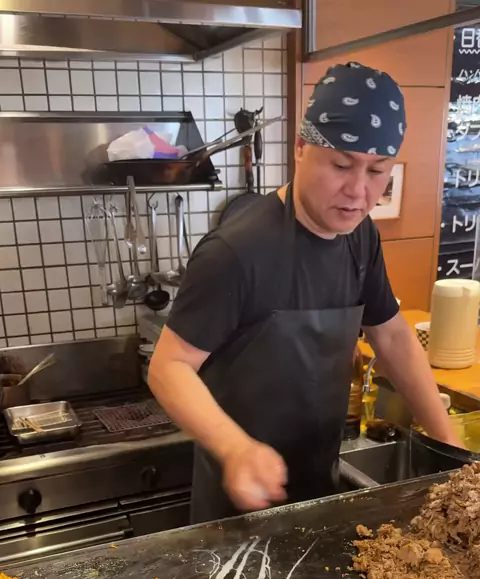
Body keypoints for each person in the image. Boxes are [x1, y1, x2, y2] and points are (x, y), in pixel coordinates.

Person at [148, 61, 460, 524]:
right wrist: (235, 449)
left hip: (318, 489)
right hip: (239, 504)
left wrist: (449, 449)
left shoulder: (360, 237)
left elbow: (392, 336)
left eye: (378, 171)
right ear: (300, 148)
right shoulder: (236, 251)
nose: (358, 191)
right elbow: (169, 368)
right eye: (341, 165)